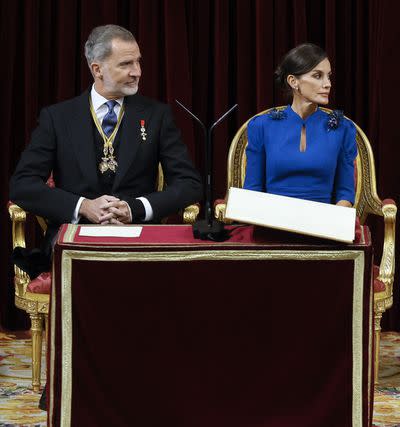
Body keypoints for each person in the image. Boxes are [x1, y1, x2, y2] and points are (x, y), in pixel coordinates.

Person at [9, 24, 202, 410]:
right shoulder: (57, 118)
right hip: (77, 239)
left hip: (139, 239)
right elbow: (23, 186)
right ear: (97, 69)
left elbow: (189, 185)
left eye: (139, 62)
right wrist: (83, 206)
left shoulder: (157, 116)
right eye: (126, 63)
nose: (138, 72)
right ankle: (73, 389)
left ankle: (147, 390)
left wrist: (137, 208)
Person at [243, 43, 357, 207]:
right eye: (317, 76)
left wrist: (330, 224)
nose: (328, 84)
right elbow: (252, 190)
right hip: (273, 223)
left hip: (322, 226)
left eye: (329, 76)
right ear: (293, 81)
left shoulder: (342, 128)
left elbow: (345, 193)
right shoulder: (262, 126)